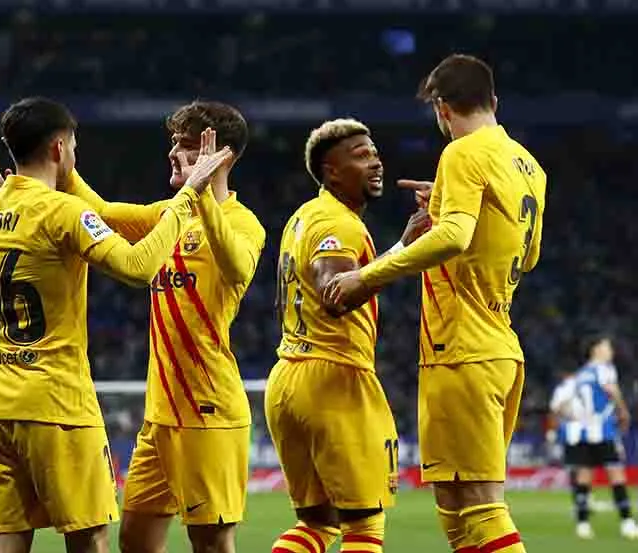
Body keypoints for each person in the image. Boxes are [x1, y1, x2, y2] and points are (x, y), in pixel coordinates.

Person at [0, 101, 265, 553]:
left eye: (188, 146)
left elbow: (236, 268)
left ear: (223, 157)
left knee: (212, 543)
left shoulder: (244, 223)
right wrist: (41, 178)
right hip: (159, 416)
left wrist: (199, 193)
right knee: (134, 540)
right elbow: (99, 210)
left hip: (209, 410)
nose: (173, 153)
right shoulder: (166, 214)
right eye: (173, 143)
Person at [327, 54, 548, 553]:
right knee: (454, 507)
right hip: (496, 347)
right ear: (494, 101)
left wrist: (367, 274)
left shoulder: (462, 153)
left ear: (442, 109)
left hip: (464, 350)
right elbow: (529, 254)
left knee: (483, 507)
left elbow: (453, 237)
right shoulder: (529, 166)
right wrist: (451, 206)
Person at [266, 118, 429, 553]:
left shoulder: (303, 216)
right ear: (331, 171)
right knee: (364, 527)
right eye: (360, 156)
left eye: (374, 152)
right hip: (333, 379)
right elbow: (334, 293)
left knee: (318, 526)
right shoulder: (337, 223)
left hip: (289, 376)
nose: (375, 162)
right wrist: (404, 249)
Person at [549, 335, 636, 540]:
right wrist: (623, 412)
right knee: (616, 475)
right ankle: (627, 522)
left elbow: (560, 406)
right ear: (596, 350)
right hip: (602, 429)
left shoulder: (580, 375)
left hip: (581, 431)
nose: (610, 351)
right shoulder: (604, 369)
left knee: (583, 477)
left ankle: (583, 524)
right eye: (607, 347)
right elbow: (611, 390)